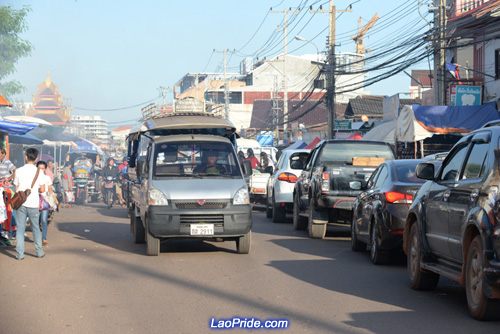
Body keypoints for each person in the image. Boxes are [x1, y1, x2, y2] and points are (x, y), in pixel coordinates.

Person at [13, 148, 46, 260]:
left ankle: (20, 255)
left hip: (21, 203)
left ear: (26, 157)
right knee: (36, 228)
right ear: (36, 159)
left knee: (20, 229)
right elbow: (42, 189)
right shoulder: (39, 172)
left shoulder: (18, 171)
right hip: (33, 203)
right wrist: (35, 190)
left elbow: (16, 187)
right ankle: (39, 252)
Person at [37, 161, 53, 246]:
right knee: (35, 221)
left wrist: (50, 192)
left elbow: (50, 188)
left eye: (42, 168)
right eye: (39, 168)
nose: (41, 170)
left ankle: (44, 238)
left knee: (43, 220)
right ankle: (37, 238)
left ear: (45, 169)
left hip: (45, 201)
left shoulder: (47, 178)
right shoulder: (34, 178)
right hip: (35, 201)